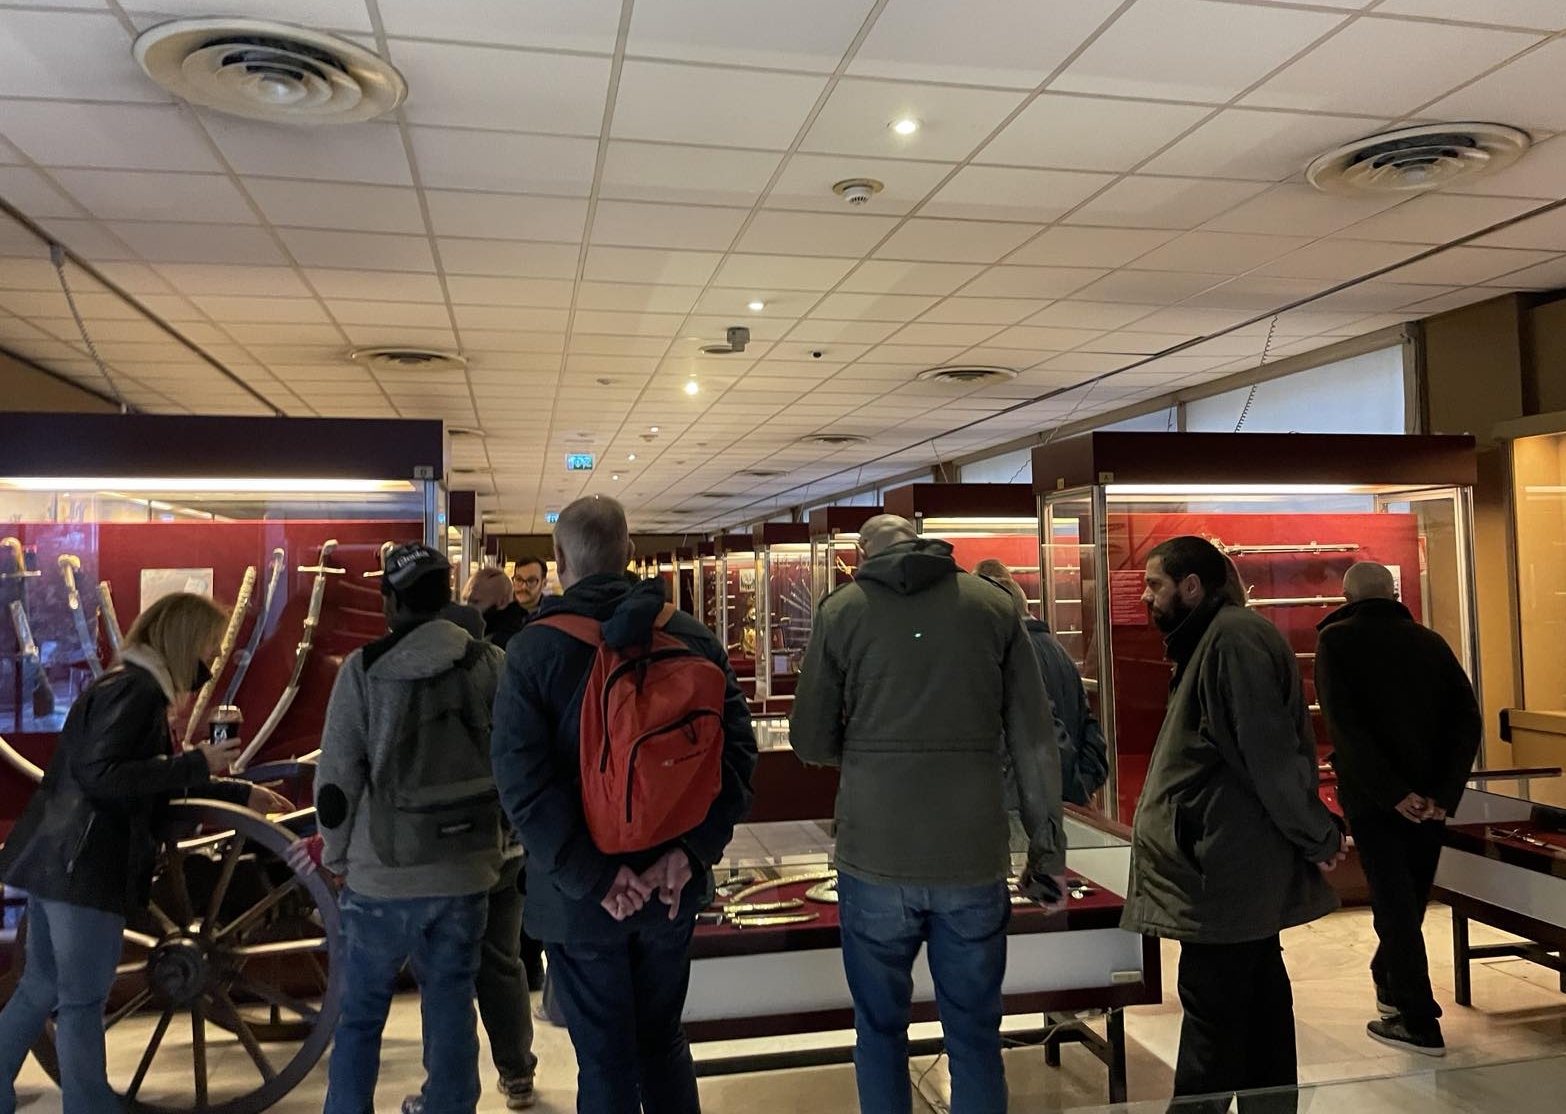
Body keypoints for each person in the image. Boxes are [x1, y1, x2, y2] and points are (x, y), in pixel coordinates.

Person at [791, 515, 1067, 1114]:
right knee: (974, 1034)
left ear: (862, 552)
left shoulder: (842, 612)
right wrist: (1047, 849)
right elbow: (1034, 740)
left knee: (879, 1030)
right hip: (971, 853)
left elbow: (809, 738)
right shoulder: (994, 607)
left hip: (875, 853)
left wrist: (869, 752)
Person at [491, 496, 756, 1114]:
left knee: (605, 1059)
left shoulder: (533, 652)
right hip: (671, 887)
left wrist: (597, 877)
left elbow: (521, 784)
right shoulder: (692, 636)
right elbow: (738, 759)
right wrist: (690, 854)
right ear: (629, 552)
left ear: (559, 561)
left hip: (582, 899)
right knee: (663, 1043)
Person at [0, 592, 288, 1112]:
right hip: (88, 864)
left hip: (59, 858)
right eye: (208, 647)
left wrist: (235, 792)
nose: (210, 661)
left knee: (40, 987)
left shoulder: (123, 684)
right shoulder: (136, 692)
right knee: (81, 999)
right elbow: (105, 775)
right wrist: (198, 763)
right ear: (183, 642)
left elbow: (142, 777)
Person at [1124, 536, 1347, 1113]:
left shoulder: (1231, 641)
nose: (1146, 596)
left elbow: (1268, 755)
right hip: (1225, 860)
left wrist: (1315, 834)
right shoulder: (1214, 639)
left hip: (1222, 866)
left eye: (1154, 584)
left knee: (1216, 1025)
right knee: (1257, 1009)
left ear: (1191, 586)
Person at [312, 543, 507, 1114]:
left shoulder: (364, 670)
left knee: (361, 1013)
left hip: (383, 872)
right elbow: (513, 756)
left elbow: (337, 780)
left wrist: (337, 856)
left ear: (390, 602)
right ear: (446, 597)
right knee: (451, 1001)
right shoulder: (489, 663)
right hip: (467, 866)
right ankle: (450, 1104)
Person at [1315, 561, 1481, 1057]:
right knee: (1408, 901)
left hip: (1375, 799)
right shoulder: (1430, 642)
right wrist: (1441, 793)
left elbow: (1345, 727)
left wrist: (1391, 792)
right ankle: (1388, 979)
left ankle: (1418, 1019)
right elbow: (1466, 721)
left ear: (1347, 597)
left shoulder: (1336, 642)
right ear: (1393, 593)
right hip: (1429, 802)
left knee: (1396, 907)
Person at [974, 558, 1108, 807]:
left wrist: (1069, 789)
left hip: (1038, 799)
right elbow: (1090, 727)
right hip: (1058, 796)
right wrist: (1083, 785)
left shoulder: (1015, 658)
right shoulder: (1058, 651)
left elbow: (1046, 732)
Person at [465, 566, 530, 649]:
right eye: (465, 600)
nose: (468, 607)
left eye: (476, 602)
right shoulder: (520, 628)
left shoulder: (498, 643)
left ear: (502, 602)